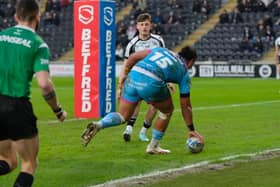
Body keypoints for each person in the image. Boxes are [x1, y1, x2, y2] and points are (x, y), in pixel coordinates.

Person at [81, 46, 204, 154]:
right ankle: (153, 147)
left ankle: (100, 124)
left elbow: (134, 56)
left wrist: (124, 74)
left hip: (134, 74)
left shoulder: (161, 50)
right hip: (152, 81)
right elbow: (185, 105)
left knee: (123, 116)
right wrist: (191, 129)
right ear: (191, 61)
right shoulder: (184, 73)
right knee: (167, 111)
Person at [0, 1, 67, 186]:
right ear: (38, 16)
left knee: (7, 161)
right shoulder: (38, 44)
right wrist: (58, 110)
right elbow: (44, 85)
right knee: (28, 164)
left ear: (15, 17)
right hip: (16, 106)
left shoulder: (1, 36)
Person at [122, 13, 173, 142]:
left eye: (146, 24)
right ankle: (129, 128)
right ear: (137, 27)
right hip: (137, 77)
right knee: (136, 102)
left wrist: (169, 81)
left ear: (151, 26)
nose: (144, 27)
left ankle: (144, 131)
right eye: (142, 24)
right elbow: (126, 64)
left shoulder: (158, 40)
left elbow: (164, 59)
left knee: (155, 105)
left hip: (155, 78)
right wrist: (122, 82)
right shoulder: (132, 44)